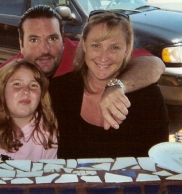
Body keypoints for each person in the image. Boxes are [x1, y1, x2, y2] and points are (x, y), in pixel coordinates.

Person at [0, 5, 165, 129]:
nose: (45, 49)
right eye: (34, 40)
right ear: (21, 45)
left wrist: (118, 86)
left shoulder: (85, 52)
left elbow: (154, 64)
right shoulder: (11, 72)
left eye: (52, 39)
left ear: (63, 38)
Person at [49, 10, 169, 159]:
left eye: (114, 47)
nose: (104, 57)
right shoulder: (60, 91)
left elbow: (157, 161)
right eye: (96, 46)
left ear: (126, 50)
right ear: (84, 46)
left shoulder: (148, 98)